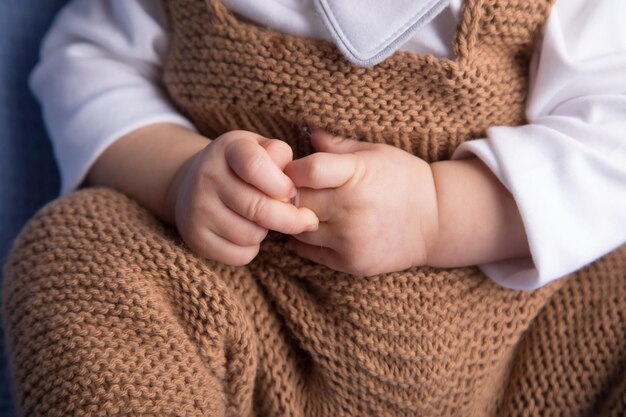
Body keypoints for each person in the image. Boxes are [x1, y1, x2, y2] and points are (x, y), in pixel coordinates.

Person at [3, 0, 626, 415]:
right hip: (256, 309)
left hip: (521, 339)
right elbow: (87, 60)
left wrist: (440, 212)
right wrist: (178, 174)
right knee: (79, 249)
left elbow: (611, 135)